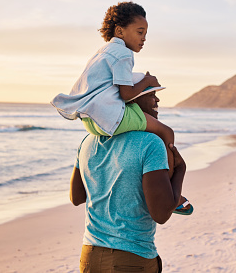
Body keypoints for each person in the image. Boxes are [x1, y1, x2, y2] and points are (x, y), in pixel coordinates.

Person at [52, 1, 191, 214]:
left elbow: (76, 199)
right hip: (111, 116)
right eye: (140, 31)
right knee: (166, 131)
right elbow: (126, 94)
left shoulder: (101, 53)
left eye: (146, 33)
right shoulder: (124, 54)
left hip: (91, 120)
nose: (144, 38)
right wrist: (146, 80)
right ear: (119, 30)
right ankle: (170, 188)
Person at [70, 77, 187, 272]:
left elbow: (77, 197)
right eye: (151, 95)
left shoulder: (87, 142)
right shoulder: (151, 143)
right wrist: (180, 171)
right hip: (132, 258)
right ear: (132, 101)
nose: (157, 101)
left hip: (90, 255)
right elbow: (161, 214)